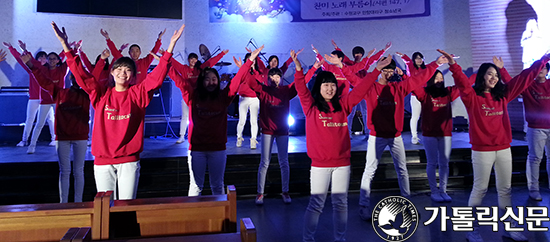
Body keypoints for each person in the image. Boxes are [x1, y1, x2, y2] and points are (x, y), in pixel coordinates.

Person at [53, 21, 184, 200]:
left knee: (126, 207)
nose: (123, 73)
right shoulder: (100, 93)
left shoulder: (138, 94)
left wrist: (170, 46)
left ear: (132, 75)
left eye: (128, 70)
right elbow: (81, 74)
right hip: (103, 161)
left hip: (128, 160)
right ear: (112, 73)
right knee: (105, 209)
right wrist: (65, 45)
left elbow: (157, 77)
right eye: (119, 69)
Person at [440, 49, 550, 242]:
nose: (494, 77)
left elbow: (525, 77)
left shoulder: (503, 95)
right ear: (482, 76)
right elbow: (463, 85)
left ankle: (510, 227)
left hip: (504, 148)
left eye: (496, 75)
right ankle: (471, 229)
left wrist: (544, 59)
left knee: (505, 189)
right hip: (482, 150)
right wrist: (453, 65)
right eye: (490, 74)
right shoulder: (472, 97)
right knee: (480, 189)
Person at [297, 48, 390, 242]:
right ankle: (308, 239)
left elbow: (362, 89)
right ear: (319, 88)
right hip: (320, 165)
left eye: (332, 85)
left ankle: (340, 239)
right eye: (325, 85)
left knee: (341, 204)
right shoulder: (311, 107)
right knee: (316, 205)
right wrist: (299, 70)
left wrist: (375, 70)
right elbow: (301, 88)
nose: (329, 88)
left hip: (342, 164)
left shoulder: (344, 104)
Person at [358, 52, 447, 221]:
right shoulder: (371, 88)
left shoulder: (399, 88)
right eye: (385, 70)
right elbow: (356, 81)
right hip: (376, 136)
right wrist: (374, 71)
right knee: (370, 170)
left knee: (402, 170)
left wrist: (435, 64)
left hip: (395, 136)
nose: (389, 73)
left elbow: (418, 79)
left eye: (391, 71)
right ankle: (363, 205)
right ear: (379, 71)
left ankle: (407, 204)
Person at [172, 45, 263, 196]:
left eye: (214, 79)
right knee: (196, 186)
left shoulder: (223, 97)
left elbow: (238, 80)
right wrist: (165, 59)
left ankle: (218, 218)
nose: (211, 82)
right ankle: (195, 218)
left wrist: (250, 61)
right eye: (207, 79)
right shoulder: (193, 96)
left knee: (217, 185)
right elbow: (178, 80)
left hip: (218, 150)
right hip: (197, 150)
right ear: (202, 82)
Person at [22, 52, 90, 203]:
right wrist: (31, 65)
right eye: (75, 77)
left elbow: (94, 79)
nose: (78, 80)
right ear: (70, 78)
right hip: (63, 137)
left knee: (78, 172)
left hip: (80, 137)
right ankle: (64, 204)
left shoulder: (88, 94)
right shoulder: (60, 92)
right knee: (65, 172)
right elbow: (44, 81)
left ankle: (78, 203)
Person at [244, 60, 299, 204]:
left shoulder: (286, 90)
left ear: (281, 78)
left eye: (277, 76)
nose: (275, 78)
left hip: (282, 130)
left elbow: (300, 82)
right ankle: (260, 193)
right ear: (268, 78)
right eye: (272, 76)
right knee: (264, 162)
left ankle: (285, 192)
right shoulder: (263, 90)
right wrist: (244, 67)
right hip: (267, 130)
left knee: (284, 162)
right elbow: (250, 81)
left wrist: (311, 69)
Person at [412, 70, 459, 202]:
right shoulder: (424, 93)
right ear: (431, 79)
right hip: (429, 134)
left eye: (441, 78)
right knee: (432, 163)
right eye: (436, 78)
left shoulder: (448, 92)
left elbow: (464, 84)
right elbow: (413, 84)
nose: (439, 81)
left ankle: (443, 190)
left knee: (444, 163)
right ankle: (434, 191)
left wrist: (454, 66)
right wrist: (409, 69)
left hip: (445, 134)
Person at [169, 50, 228, 144]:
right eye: (191, 59)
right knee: (184, 117)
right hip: (186, 96)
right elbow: (173, 63)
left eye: (195, 59)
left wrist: (222, 54)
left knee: (196, 117)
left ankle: (194, 134)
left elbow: (211, 62)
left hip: (198, 97)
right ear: (188, 60)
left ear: (197, 60)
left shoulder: (200, 69)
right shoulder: (184, 69)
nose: (193, 61)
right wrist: (164, 54)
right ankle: (182, 136)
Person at [3, 42, 55, 149]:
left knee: (50, 119)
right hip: (34, 98)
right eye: (40, 57)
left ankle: (54, 139)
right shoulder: (31, 68)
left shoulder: (49, 70)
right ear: (36, 59)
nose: (43, 59)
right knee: (30, 119)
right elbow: (20, 59)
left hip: (46, 99)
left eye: (45, 58)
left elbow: (61, 60)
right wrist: (12, 48)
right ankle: (24, 140)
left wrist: (70, 48)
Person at [27, 45, 69, 153]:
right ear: (46, 60)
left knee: (60, 124)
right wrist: (25, 51)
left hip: (58, 100)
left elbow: (70, 59)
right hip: (45, 101)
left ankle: (61, 147)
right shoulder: (43, 69)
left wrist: (74, 48)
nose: (52, 60)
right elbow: (33, 65)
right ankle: (32, 146)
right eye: (49, 58)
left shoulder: (62, 70)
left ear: (58, 60)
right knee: (39, 123)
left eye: (54, 58)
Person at [522, 62, 550, 201]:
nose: (541, 70)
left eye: (544, 68)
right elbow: (511, 83)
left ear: (547, 71)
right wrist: (502, 69)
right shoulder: (528, 85)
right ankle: (534, 189)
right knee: (535, 158)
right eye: (539, 67)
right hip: (536, 128)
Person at [100, 28, 165, 85]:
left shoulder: (144, 62)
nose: (135, 53)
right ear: (129, 53)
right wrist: (108, 38)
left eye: (137, 51)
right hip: (129, 91)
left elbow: (154, 51)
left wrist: (159, 38)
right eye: (132, 51)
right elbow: (115, 53)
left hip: (141, 92)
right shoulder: (126, 63)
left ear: (140, 53)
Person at [397, 52, 426, 144]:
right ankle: (414, 137)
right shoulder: (411, 67)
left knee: (427, 116)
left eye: (421, 58)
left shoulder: (425, 69)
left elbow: (435, 65)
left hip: (426, 95)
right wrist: (403, 56)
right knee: (415, 117)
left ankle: (429, 135)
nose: (419, 60)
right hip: (415, 96)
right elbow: (408, 62)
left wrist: (448, 58)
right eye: (417, 58)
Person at [236, 52, 261, 149]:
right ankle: (239, 137)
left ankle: (253, 140)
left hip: (254, 98)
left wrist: (254, 69)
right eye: (249, 59)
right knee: (242, 120)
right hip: (243, 98)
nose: (251, 61)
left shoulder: (256, 72)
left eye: (253, 59)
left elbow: (259, 80)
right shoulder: (242, 71)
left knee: (254, 121)